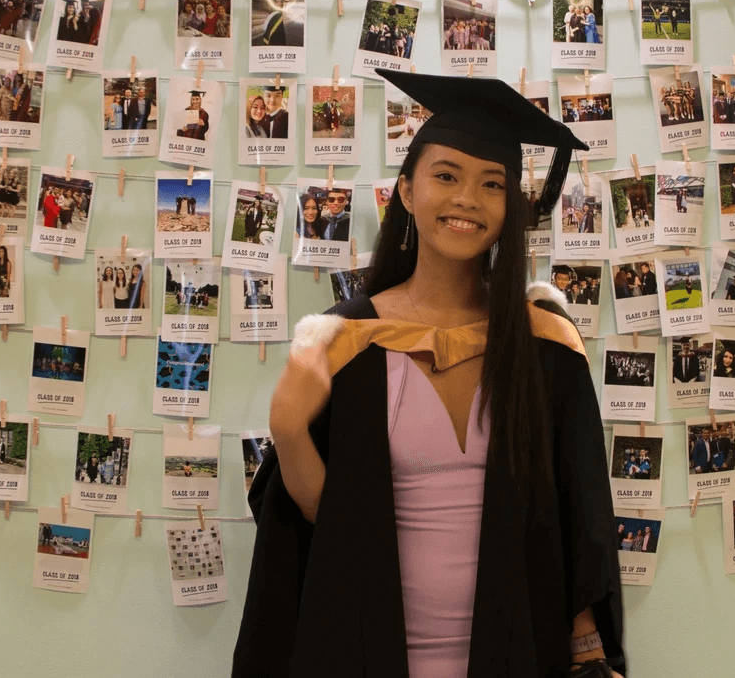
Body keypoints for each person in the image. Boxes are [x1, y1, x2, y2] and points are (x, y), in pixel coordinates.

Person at [234, 70, 625, 678]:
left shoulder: (543, 344)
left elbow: (575, 517)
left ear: (509, 208)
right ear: (407, 192)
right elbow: (324, 525)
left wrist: (589, 656)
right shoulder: (346, 341)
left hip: (517, 652)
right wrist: (287, 426)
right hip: (370, 652)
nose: (467, 198)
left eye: (491, 184)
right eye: (446, 175)